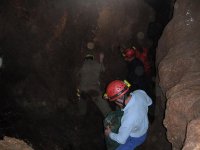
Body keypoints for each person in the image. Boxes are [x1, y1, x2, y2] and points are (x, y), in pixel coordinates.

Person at [104, 80, 152, 150]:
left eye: (114, 101)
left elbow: (121, 140)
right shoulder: (139, 92)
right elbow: (149, 102)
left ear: (118, 100)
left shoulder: (128, 119)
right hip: (143, 127)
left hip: (136, 137)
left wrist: (109, 134)